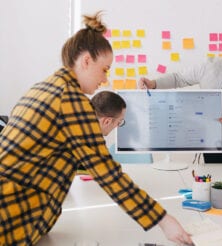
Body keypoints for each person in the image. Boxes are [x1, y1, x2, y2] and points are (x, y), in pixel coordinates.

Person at [0, 12, 192, 246]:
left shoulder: (43, 87)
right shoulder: (70, 100)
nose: (104, 80)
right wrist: (164, 220)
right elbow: (107, 173)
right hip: (11, 214)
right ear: (86, 61)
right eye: (104, 69)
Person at [139, 40, 222, 164]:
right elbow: (179, 78)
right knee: (215, 178)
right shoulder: (210, 66)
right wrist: (154, 84)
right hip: (212, 132)